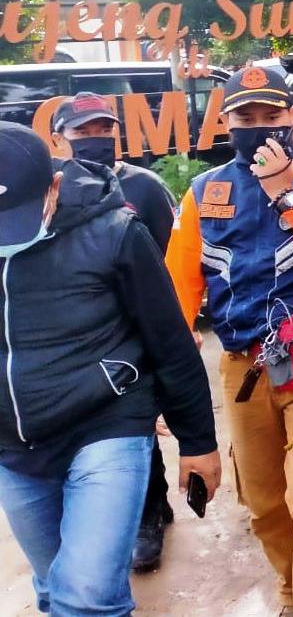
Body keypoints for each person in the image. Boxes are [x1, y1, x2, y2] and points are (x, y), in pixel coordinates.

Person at [166, 65, 293, 617]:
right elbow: (180, 289)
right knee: (264, 506)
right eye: (244, 118)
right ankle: (291, 586)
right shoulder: (204, 192)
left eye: (271, 116)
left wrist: (287, 197)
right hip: (243, 368)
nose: (258, 128)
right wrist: (165, 379)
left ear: (292, 116)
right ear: (225, 122)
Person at [0, 122, 219, 616]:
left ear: (53, 186)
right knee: (56, 587)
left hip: (105, 426)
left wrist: (198, 442)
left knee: (85, 596)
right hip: (15, 450)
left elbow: (171, 343)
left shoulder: (115, 233)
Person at [50, 93, 184, 572]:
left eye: (103, 129)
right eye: (83, 132)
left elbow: (173, 261)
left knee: (135, 417)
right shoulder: (51, 191)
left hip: (139, 326)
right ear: (60, 138)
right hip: (80, 330)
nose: (95, 139)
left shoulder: (145, 187)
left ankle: (148, 513)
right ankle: (148, 502)